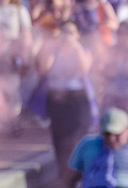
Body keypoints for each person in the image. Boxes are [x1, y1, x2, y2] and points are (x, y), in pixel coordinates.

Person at [34, 22, 97, 177]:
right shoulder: (54, 51)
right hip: (57, 98)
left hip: (77, 97)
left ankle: (80, 171)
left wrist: (75, 47)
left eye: (71, 32)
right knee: (59, 137)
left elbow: (84, 68)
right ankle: (63, 171)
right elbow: (44, 68)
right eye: (64, 31)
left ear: (77, 35)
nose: (67, 35)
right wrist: (54, 49)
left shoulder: (83, 50)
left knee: (78, 135)